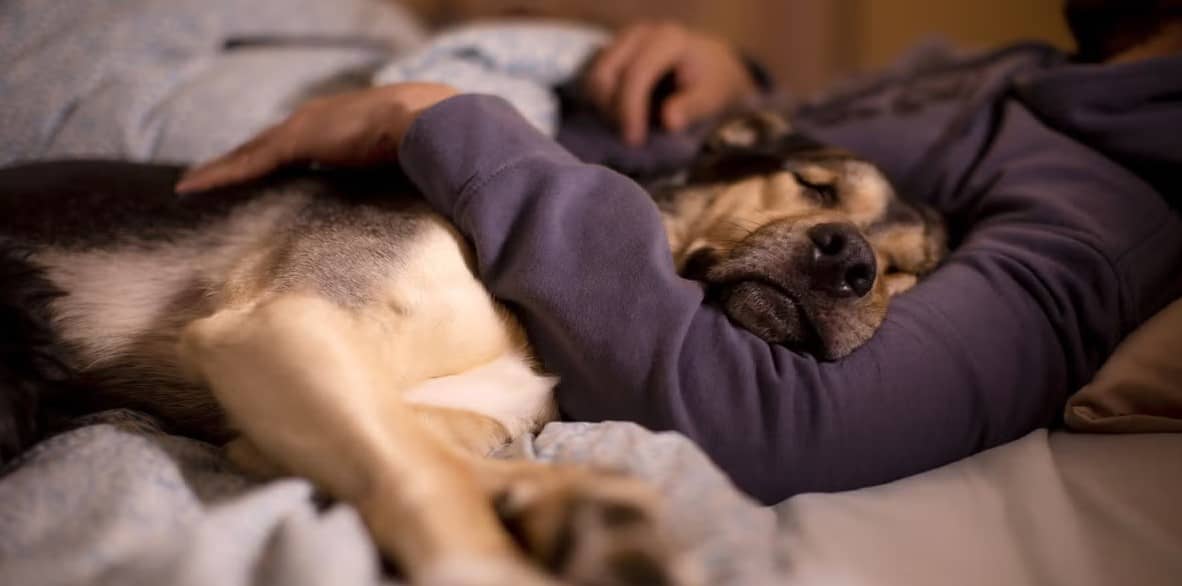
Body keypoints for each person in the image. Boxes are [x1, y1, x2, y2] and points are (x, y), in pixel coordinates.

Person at [176, 1, 1182, 504]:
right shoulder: (1042, 71)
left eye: (896, 266)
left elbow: (785, 423)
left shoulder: (1107, 214)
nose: (859, 258)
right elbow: (779, 156)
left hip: (413, 177)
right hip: (483, 131)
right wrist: (735, 84)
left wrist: (445, 123)